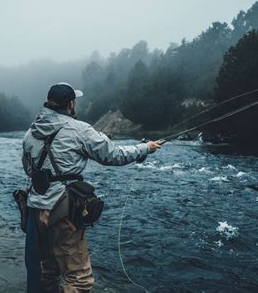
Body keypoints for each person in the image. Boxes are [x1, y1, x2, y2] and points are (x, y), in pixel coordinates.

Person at [21, 82, 161, 293]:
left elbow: (28, 169)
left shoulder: (30, 133)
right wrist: (144, 149)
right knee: (79, 279)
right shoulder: (80, 129)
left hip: (35, 210)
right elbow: (113, 155)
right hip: (62, 211)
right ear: (70, 104)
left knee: (47, 272)